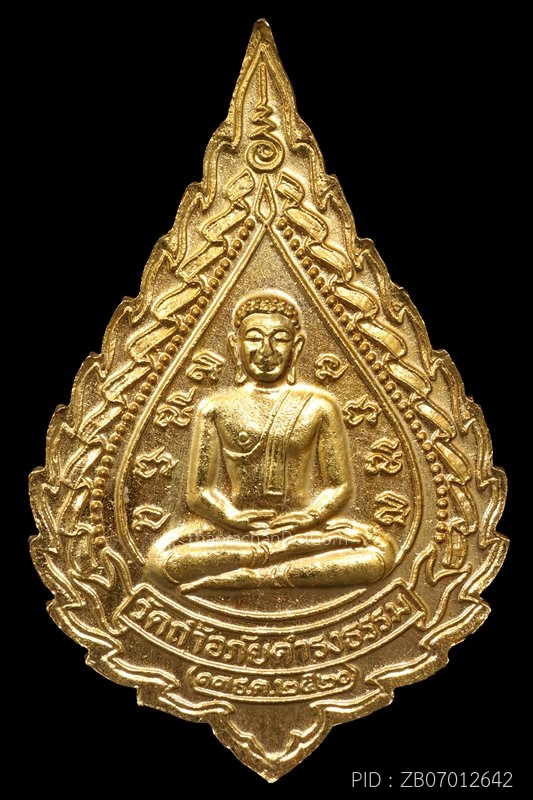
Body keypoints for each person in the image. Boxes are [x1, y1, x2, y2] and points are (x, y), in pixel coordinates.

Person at [146, 290, 396, 591]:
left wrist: (308, 517)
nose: (266, 350)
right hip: (234, 535)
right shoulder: (215, 408)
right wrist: (232, 517)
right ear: (235, 345)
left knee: (380, 555)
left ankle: (261, 573)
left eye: (279, 338)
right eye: (254, 338)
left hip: (306, 531)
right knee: (163, 562)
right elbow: (198, 493)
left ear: (297, 346)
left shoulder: (319, 406)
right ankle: (282, 560)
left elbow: (339, 486)